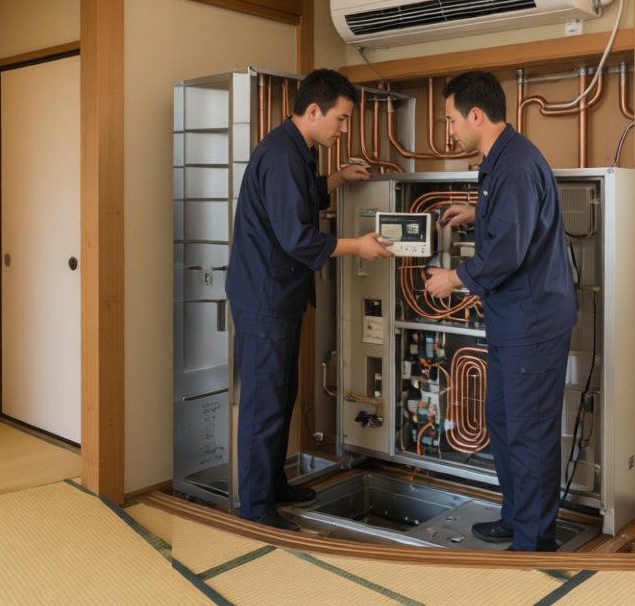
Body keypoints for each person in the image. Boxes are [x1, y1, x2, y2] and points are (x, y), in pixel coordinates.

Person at [226, 68, 394, 531]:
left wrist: (336, 177)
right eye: (341, 119)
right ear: (315, 110)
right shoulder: (281, 155)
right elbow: (298, 236)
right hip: (264, 296)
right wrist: (356, 246)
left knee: (282, 392)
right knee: (264, 400)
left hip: (280, 293)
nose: (343, 129)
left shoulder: (296, 150)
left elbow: (301, 201)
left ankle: (273, 483)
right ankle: (256, 507)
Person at [423, 70, 577, 552]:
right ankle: (517, 519)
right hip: (513, 320)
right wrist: (476, 212)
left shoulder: (511, 165)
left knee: (529, 432)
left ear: (475, 115)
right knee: (505, 420)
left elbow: (508, 251)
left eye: (450, 120)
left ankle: (534, 543)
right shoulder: (502, 159)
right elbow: (512, 220)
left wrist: (453, 278)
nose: (449, 130)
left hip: (532, 322)